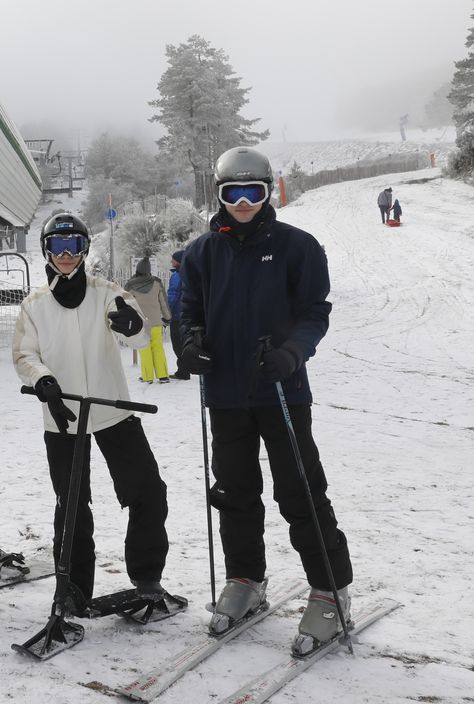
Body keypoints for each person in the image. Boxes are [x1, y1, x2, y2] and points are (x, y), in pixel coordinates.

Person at [178, 146, 354, 656]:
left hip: (281, 389)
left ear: (267, 191)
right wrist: (189, 344)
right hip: (227, 393)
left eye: (252, 192)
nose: (242, 203)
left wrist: (291, 354)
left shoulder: (298, 247)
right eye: (232, 193)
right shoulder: (201, 252)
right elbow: (187, 310)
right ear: (219, 194)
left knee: (299, 490)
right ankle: (245, 579)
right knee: (233, 491)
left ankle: (330, 590)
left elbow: (314, 312)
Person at [13, 212, 174, 612]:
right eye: (56, 247)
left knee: (148, 490)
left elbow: (137, 338)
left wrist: (133, 324)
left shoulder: (107, 292)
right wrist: (42, 380)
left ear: (84, 250)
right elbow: (24, 354)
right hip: (63, 415)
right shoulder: (35, 305)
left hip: (112, 410)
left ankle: (147, 578)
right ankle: (72, 589)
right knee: (71, 505)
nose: (65, 255)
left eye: (73, 247)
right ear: (46, 251)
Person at [124, 257, 173, 383]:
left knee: (144, 349)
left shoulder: (130, 285)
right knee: (158, 348)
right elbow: (163, 302)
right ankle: (163, 376)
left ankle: (147, 376)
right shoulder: (157, 283)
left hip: (140, 323)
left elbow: (125, 303)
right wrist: (167, 318)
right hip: (156, 322)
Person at [167, 250, 190, 380]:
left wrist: (167, 311)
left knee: (177, 344)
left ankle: (183, 371)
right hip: (187, 313)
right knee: (184, 342)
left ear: (179, 261)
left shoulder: (177, 276)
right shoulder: (189, 272)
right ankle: (184, 369)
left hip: (177, 314)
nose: (171, 261)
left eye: (173, 259)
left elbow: (173, 294)